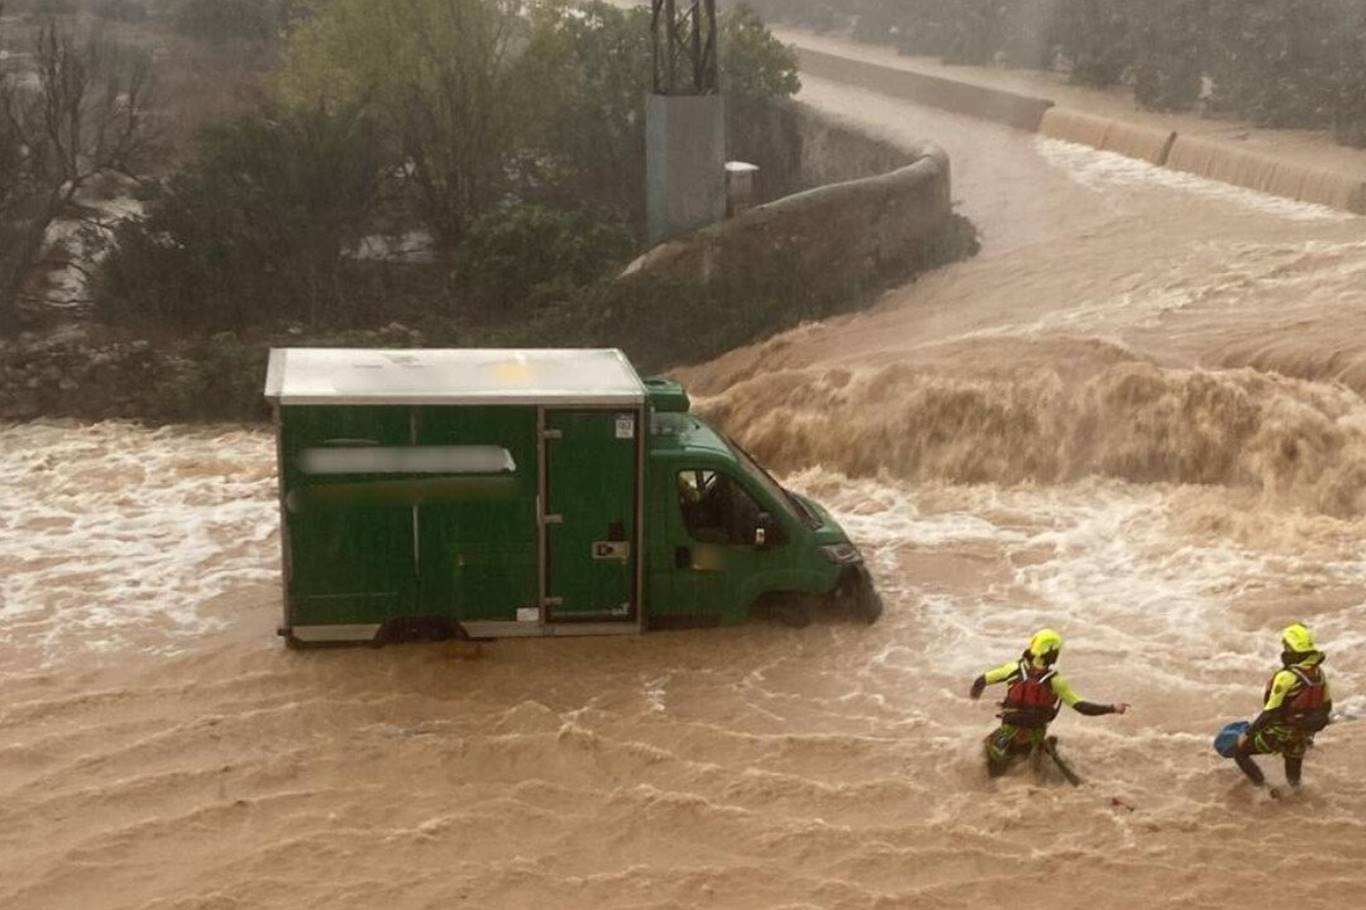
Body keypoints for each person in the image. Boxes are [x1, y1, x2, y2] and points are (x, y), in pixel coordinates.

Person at [969, 629, 1129, 777]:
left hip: (1007, 737)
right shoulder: (1055, 681)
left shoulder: (1012, 669)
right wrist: (1112, 708)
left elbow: (980, 681)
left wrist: (973, 701)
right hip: (1034, 739)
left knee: (994, 773)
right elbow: (1082, 707)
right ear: (1052, 655)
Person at [1233, 623, 1333, 794]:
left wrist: (1247, 734)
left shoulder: (1286, 676)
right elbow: (1326, 707)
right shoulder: (1318, 674)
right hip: (1300, 735)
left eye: (1286, 646)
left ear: (1291, 648)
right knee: (1294, 781)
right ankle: (1298, 801)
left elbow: (1270, 712)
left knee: (1239, 752)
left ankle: (1263, 789)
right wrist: (1308, 734)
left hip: (1279, 732)